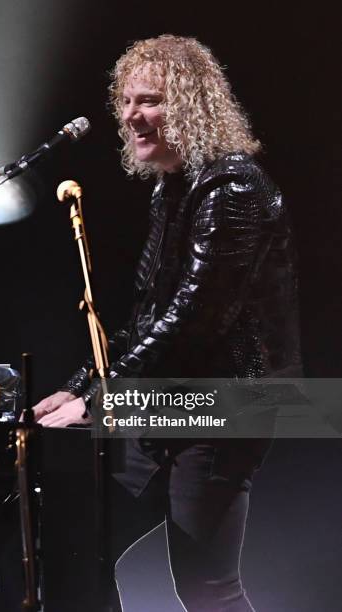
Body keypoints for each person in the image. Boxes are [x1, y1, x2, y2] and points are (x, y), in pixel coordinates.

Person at [32, 35, 302, 612]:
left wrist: (101, 402)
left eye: (149, 100)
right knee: (78, 543)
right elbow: (147, 319)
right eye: (126, 102)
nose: (131, 116)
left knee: (207, 587)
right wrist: (78, 387)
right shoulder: (173, 189)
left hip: (228, 402)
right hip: (173, 397)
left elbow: (192, 320)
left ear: (190, 106)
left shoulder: (232, 188)